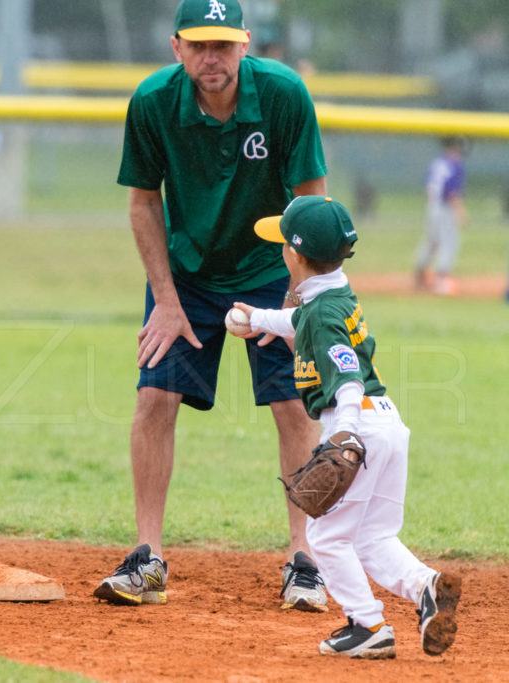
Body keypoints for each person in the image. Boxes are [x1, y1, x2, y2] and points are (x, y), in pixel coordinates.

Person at [93, 0, 329, 610]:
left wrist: (294, 300)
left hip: (269, 266)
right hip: (186, 272)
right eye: (198, 45)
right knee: (153, 398)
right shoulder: (152, 102)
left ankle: (306, 559)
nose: (211, 56)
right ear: (177, 48)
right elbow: (145, 202)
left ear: (246, 43)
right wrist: (166, 301)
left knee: (293, 406)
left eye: (223, 44)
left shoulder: (283, 94)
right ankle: (148, 558)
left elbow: (310, 204)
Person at [230, 195, 462, 658]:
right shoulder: (334, 293)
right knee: (373, 536)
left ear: (294, 255)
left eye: (283, 243)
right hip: (389, 424)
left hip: (359, 427)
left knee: (326, 537)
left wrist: (345, 435)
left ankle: (366, 624)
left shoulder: (324, 314)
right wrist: (258, 320)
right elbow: (302, 320)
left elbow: (348, 378)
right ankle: (425, 588)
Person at [414, 136, 468, 295]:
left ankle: (420, 273)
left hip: (432, 207)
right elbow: (452, 192)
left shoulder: (437, 163)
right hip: (445, 208)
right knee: (450, 242)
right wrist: (461, 212)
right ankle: (442, 281)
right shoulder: (455, 165)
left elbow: (429, 186)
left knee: (432, 241)